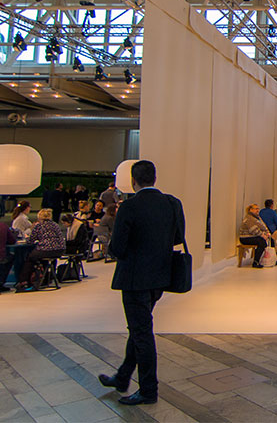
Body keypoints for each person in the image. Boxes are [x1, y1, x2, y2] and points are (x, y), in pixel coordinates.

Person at [98, 160, 185, 406]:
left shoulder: (129, 206)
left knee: (142, 332)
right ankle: (122, 377)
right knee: (139, 328)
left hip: (135, 278)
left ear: (133, 181)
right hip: (160, 276)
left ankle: (148, 390)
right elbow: (178, 237)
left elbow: (117, 247)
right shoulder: (172, 203)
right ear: (154, 178)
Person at [15, 209, 66, 291]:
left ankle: (23, 280)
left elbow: (31, 240)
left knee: (30, 258)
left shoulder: (39, 226)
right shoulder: (55, 225)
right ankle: (47, 277)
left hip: (46, 249)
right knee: (44, 258)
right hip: (59, 250)